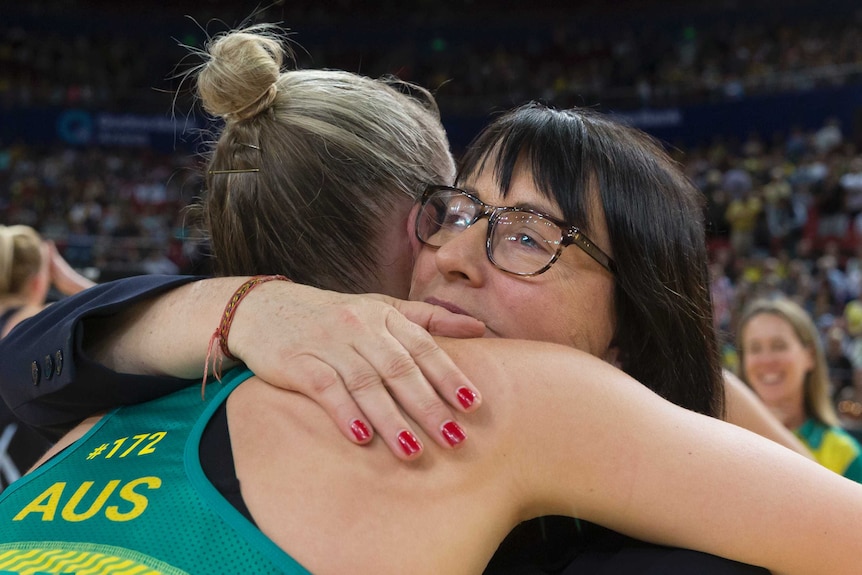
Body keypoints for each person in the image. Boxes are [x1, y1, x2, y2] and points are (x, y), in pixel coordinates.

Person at [0, 27, 818, 574]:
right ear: (407, 228)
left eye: (526, 232)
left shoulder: (86, 422)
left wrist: (234, 306)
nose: (459, 251)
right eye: (452, 210)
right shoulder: (506, 399)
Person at [0, 224, 94, 491]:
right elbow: (132, 321)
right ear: (39, 279)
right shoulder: (39, 322)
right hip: (22, 484)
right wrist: (74, 283)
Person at [737, 295, 862, 482]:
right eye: (754, 349)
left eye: (779, 346)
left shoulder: (844, 452)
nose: (767, 360)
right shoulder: (723, 439)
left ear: (809, 356)